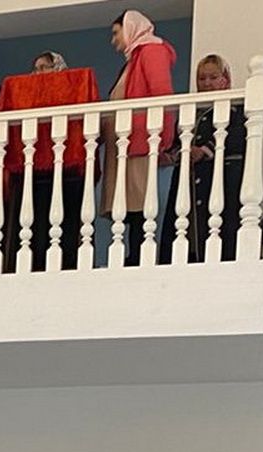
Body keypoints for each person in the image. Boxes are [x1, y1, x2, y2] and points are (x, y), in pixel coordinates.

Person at [105, 10, 179, 265]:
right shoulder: (135, 57)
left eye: (116, 33)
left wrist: (163, 140)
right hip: (126, 144)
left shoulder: (151, 51)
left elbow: (162, 94)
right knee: (128, 202)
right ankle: (130, 254)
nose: (114, 40)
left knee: (138, 202)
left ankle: (137, 256)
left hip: (140, 142)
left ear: (130, 28)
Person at [162, 54, 248, 263]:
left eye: (213, 77)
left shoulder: (235, 108)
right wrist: (178, 153)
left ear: (225, 79)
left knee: (217, 230)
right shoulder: (191, 110)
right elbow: (175, 142)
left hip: (220, 181)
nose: (207, 83)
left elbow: (237, 138)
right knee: (184, 228)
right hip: (188, 181)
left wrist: (204, 150)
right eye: (202, 78)